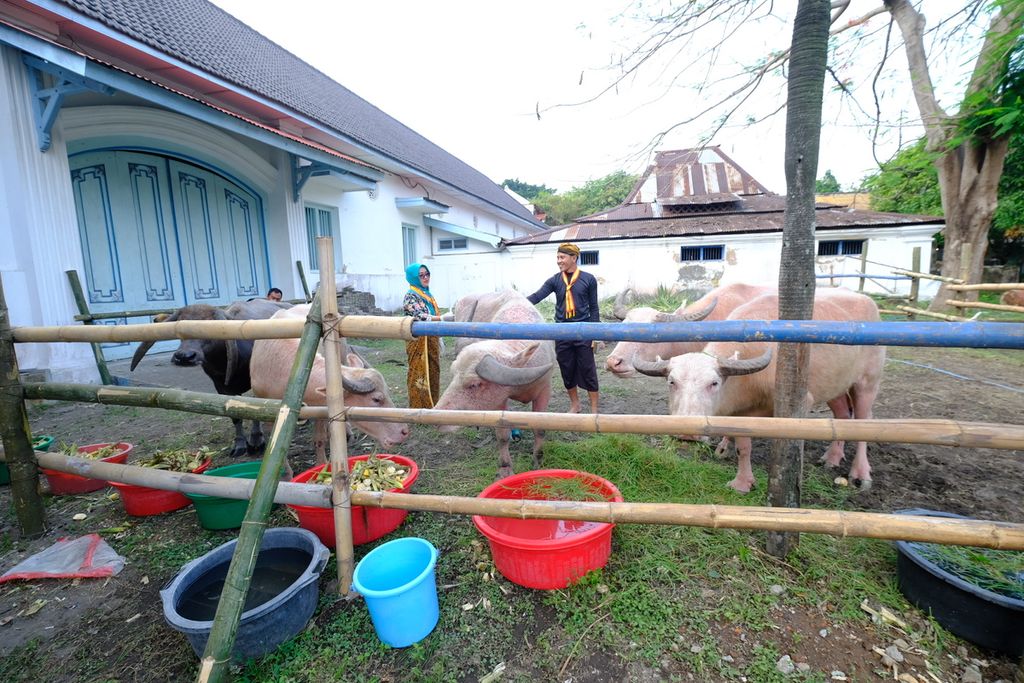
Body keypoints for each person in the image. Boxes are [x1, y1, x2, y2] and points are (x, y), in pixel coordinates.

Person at [526, 242, 601, 414]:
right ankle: (575, 405)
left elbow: (594, 307)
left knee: (588, 369)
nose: (559, 261)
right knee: (567, 369)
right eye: (557, 258)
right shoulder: (554, 280)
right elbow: (537, 296)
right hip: (561, 332)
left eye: (562, 257)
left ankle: (595, 408)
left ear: (574, 258)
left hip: (584, 331)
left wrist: (595, 334)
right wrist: (517, 302)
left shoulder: (588, 279)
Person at [403, 263, 444, 409]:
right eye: (421, 275)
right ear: (413, 278)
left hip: (431, 337)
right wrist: (441, 319)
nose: (426, 278)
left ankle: (433, 404)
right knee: (419, 371)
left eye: (427, 274)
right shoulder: (410, 295)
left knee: (433, 369)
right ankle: (419, 408)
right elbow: (419, 315)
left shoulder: (427, 294)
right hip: (418, 340)